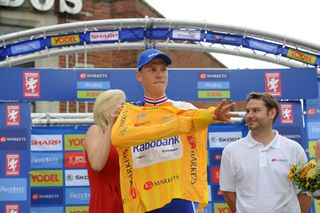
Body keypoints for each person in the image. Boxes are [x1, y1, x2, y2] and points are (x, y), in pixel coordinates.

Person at [113, 48, 236, 213]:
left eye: (163, 69)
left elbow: (197, 118)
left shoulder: (182, 108)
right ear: (139, 76)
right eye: (152, 70)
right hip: (144, 199)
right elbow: (118, 138)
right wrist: (174, 126)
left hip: (178, 198)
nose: (160, 74)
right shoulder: (130, 112)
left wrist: (212, 115)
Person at [219, 92, 312, 213]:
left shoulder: (293, 148)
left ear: (272, 113)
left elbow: (305, 192)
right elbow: (228, 192)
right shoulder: (231, 151)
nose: (250, 115)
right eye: (248, 111)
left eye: (256, 110)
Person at [84, 89, 125, 213]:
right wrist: (110, 126)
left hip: (127, 199)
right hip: (106, 202)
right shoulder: (96, 130)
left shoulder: (123, 135)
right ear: (107, 107)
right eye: (121, 104)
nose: (125, 109)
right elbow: (97, 164)